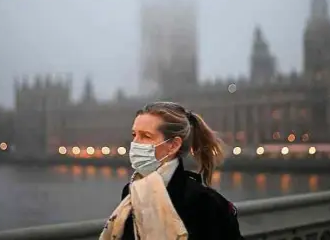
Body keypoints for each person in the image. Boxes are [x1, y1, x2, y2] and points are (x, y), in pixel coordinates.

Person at [100, 101, 244, 240]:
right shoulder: (131, 192)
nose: (135, 143)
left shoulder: (205, 203)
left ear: (174, 145)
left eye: (146, 136)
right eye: (134, 135)